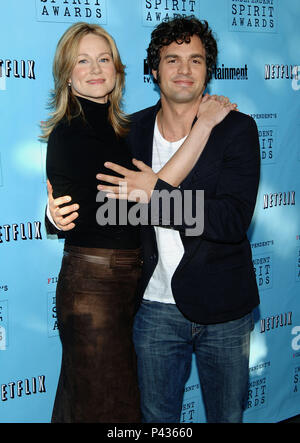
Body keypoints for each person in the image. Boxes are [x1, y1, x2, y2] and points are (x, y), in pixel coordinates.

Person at [44, 21, 236, 423]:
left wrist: (62, 215)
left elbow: (223, 217)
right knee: (105, 406)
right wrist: (54, 216)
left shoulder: (121, 129)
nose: (96, 69)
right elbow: (118, 207)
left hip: (130, 289)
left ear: (118, 70)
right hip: (96, 287)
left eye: (104, 59)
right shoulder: (73, 130)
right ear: (66, 72)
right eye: (83, 61)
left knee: (92, 400)